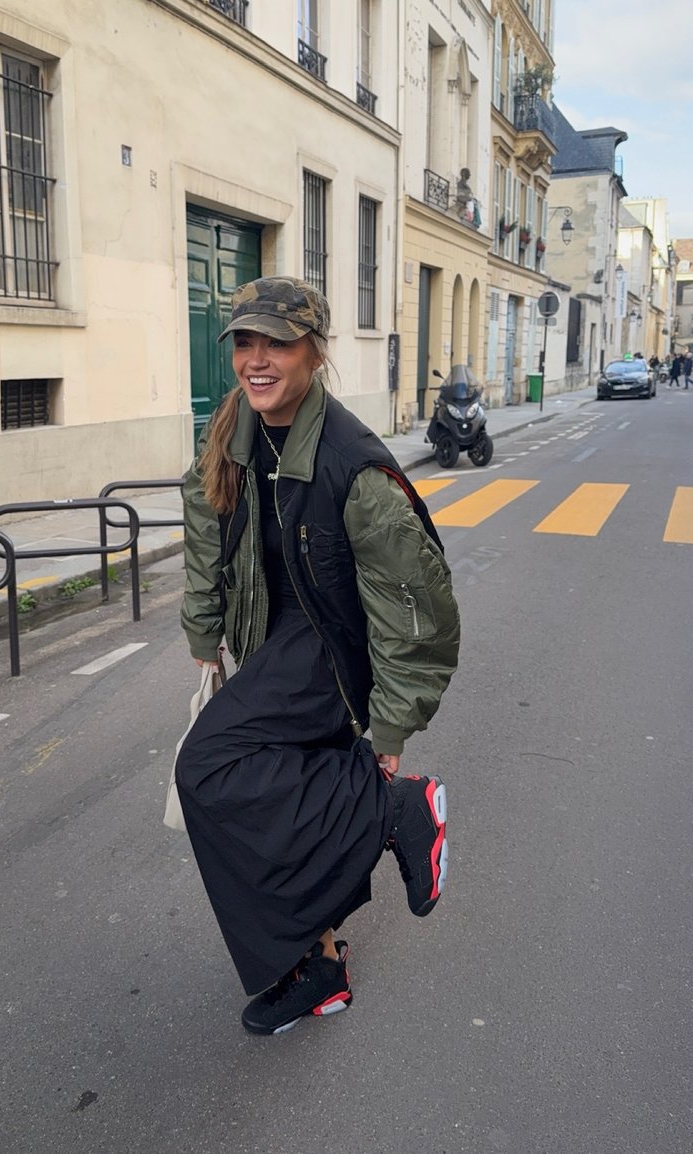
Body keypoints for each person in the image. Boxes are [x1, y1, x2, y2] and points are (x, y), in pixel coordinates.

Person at [175, 276, 461, 1036]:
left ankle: (392, 805)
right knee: (289, 813)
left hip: (334, 647)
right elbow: (208, 525)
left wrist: (392, 730)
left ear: (316, 352)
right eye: (244, 341)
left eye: (277, 341)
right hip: (270, 636)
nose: (256, 359)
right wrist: (206, 635)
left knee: (208, 767)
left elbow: (415, 606)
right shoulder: (235, 427)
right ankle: (318, 969)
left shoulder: (352, 466)